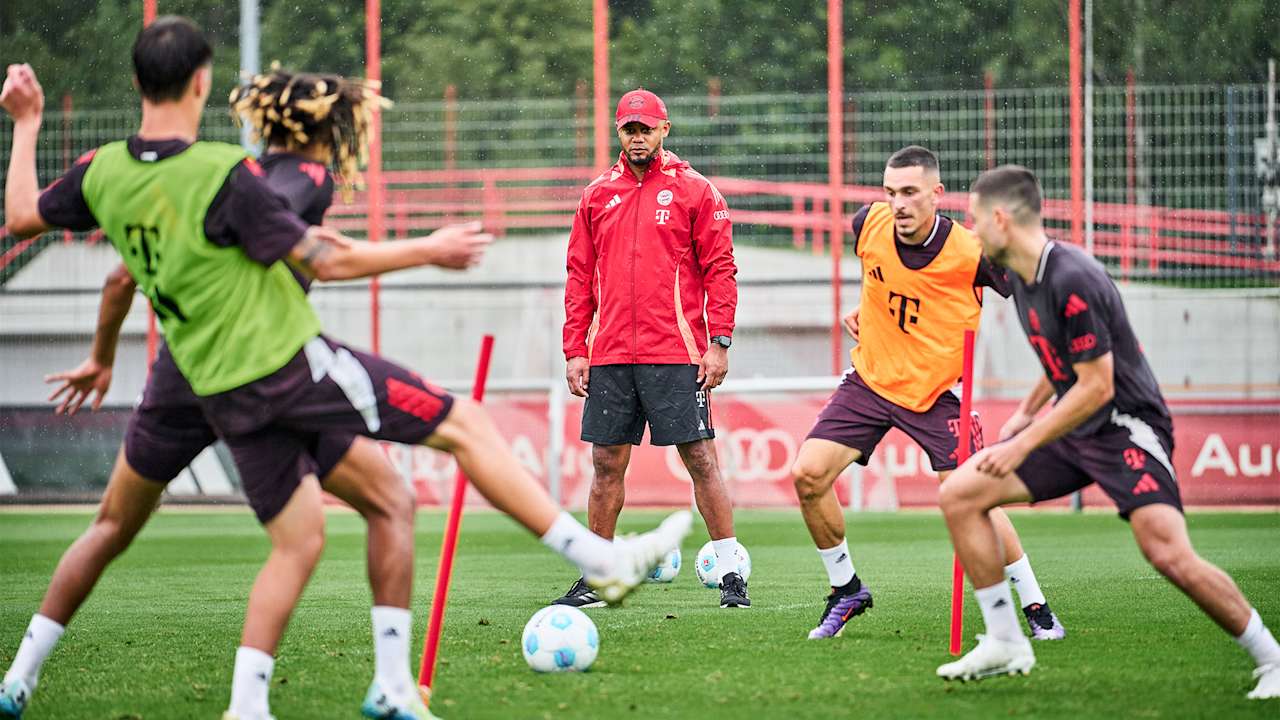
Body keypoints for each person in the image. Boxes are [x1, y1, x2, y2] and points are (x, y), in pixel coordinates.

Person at [0, 18, 689, 720]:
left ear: (137, 80)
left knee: (318, 522)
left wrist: (27, 122)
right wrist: (431, 247)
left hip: (191, 377)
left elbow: (42, 227)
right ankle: (598, 560)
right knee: (464, 427)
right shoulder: (223, 175)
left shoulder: (104, 171)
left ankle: (41, 682)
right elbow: (321, 257)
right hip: (276, 366)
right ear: (203, 81)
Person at [0, 63, 490, 720]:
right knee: (374, 508)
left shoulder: (205, 177)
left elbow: (120, 279)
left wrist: (101, 358)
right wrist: (416, 249)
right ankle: (368, 689)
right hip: (260, 376)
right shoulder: (302, 179)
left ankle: (18, 680)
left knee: (112, 525)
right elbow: (305, 248)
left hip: (183, 373)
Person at [934, 164, 1280, 700]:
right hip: (1072, 429)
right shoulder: (1021, 278)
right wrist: (1026, 412)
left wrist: (1024, 441)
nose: (972, 233)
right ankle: (1005, 639)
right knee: (960, 493)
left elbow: (1097, 386)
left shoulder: (1074, 277)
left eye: (976, 221)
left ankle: (1271, 657)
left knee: (1167, 555)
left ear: (1001, 218)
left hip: (1124, 427)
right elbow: (1062, 368)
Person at [791, 146, 1064, 640]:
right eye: (891, 192)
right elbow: (880, 276)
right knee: (807, 476)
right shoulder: (867, 224)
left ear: (937, 195)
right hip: (870, 380)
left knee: (973, 498)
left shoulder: (973, 254)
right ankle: (846, 589)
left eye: (911, 193)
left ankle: (1035, 604)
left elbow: (1031, 288)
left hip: (936, 393)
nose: (898, 204)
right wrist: (861, 308)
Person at [558, 88, 746, 609]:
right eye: (628, 129)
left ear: (665, 129)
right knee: (605, 464)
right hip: (612, 354)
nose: (637, 136)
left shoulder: (695, 190)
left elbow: (721, 270)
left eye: (646, 128)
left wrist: (720, 341)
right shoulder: (597, 195)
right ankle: (597, 575)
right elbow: (579, 278)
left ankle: (731, 571)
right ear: (618, 133)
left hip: (677, 351)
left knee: (700, 458)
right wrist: (576, 348)